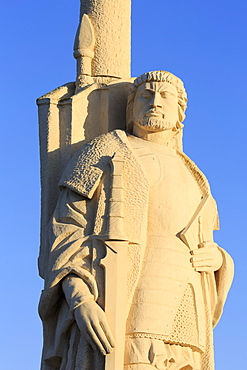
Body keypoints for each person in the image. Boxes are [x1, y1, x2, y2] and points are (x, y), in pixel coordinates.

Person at [39, 71, 234, 370]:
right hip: (127, 310)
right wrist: (81, 301)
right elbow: (66, 231)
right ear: (130, 107)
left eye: (165, 96)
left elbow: (206, 241)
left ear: (180, 113)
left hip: (187, 318)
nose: (155, 102)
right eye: (146, 94)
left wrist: (219, 260)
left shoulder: (196, 176)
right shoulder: (105, 149)